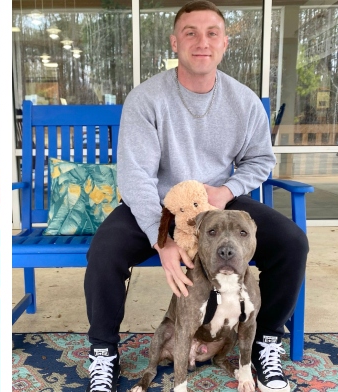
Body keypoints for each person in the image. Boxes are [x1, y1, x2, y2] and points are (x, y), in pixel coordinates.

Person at [82, 2, 308, 392]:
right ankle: (103, 352)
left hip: (221, 205)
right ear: (175, 42)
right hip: (159, 205)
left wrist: (226, 191)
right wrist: (162, 238)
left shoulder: (243, 100)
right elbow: (135, 174)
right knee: (104, 250)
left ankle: (265, 341)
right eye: (190, 32)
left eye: (211, 33)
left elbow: (259, 161)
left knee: (291, 242)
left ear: (224, 44)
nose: (201, 41)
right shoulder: (147, 98)